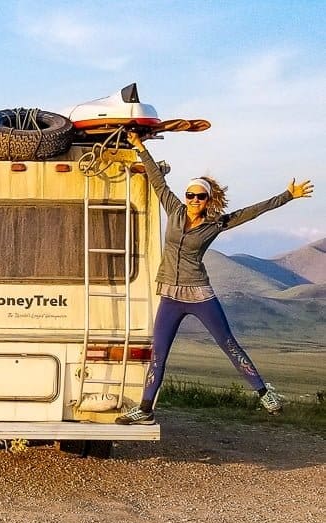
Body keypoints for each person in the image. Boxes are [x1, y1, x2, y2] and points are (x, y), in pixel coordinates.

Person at [116, 130, 314, 425]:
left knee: (229, 344)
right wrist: (138, 145)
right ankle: (145, 409)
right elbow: (157, 179)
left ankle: (264, 392)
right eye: (190, 194)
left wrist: (287, 196)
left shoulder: (216, 224)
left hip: (199, 294)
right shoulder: (174, 209)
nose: (194, 199)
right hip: (170, 294)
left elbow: (251, 212)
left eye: (200, 196)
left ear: (208, 200)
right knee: (158, 354)